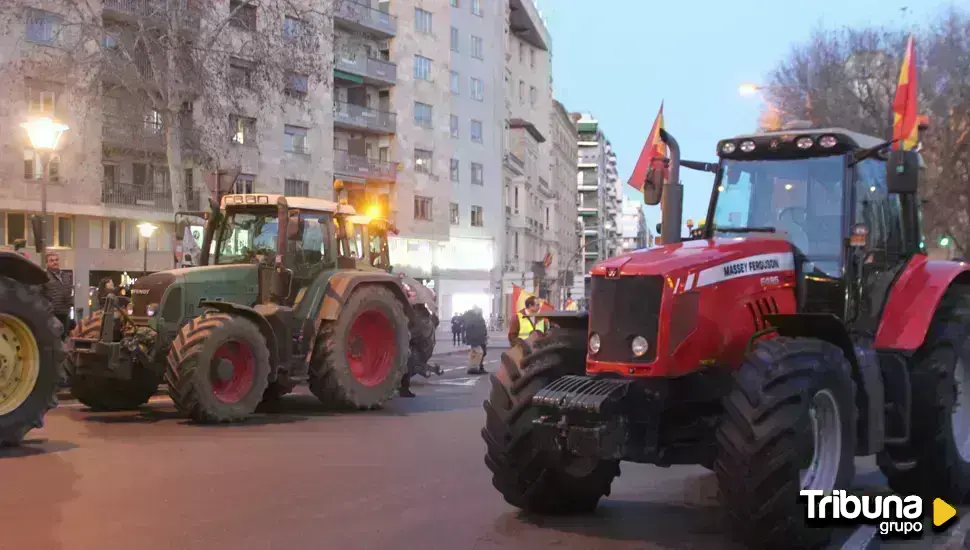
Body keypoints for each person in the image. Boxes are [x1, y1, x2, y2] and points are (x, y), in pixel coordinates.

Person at [43, 252, 73, 338]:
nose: (55, 262)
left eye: (56, 260)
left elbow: (69, 291)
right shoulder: (44, 276)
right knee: (54, 336)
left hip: (65, 311)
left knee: (64, 336)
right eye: (51, 260)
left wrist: (71, 302)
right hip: (52, 313)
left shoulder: (66, 276)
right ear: (47, 263)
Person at [464, 307, 488, 374]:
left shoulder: (472, 319)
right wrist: (483, 336)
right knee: (480, 353)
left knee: (476, 353)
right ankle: (477, 368)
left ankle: (475, 367)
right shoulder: (477, 319)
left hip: (476, 339)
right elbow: (480, 329)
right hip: (478, 339)